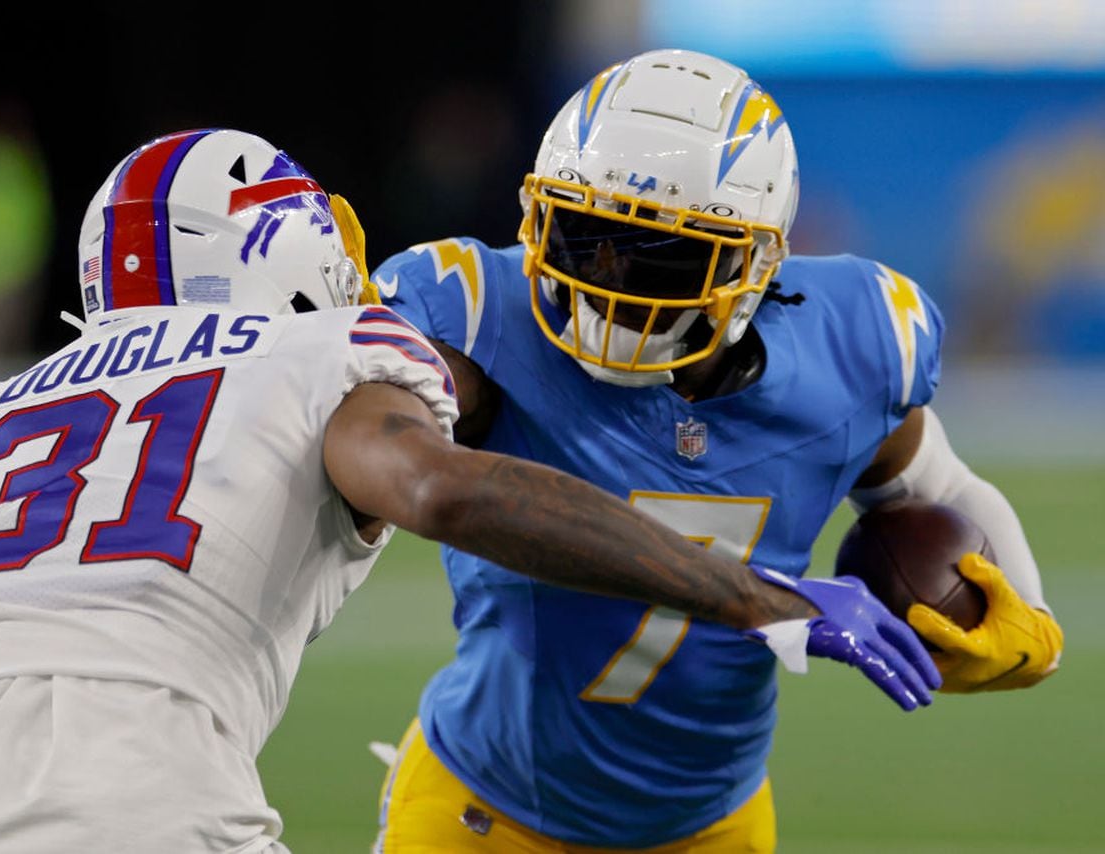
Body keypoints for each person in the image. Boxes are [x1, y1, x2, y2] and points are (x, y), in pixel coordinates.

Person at [0, 128, 938, 853]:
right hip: (156, 810)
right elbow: (440, 492)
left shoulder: (10, 405)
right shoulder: (323, 353)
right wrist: (752, 593)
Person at [369, 49, 1066, 852]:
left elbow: (934, 482)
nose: (608, 280)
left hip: (713, 825)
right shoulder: (477, 317)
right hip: (483, 807)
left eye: (660, 254)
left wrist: (1031, 620)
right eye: (583, 235)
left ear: (755, 261)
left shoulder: (852, 345)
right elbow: (388, 453)